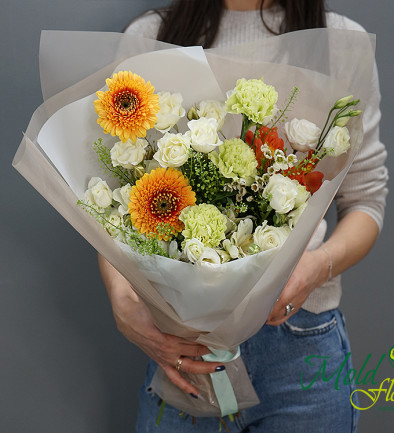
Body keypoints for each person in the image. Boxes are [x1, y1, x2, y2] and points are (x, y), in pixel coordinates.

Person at [99, 0, 388, 431]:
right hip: (185, 348)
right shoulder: (148, 38)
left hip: (300, 341)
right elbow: (113, 202)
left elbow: (366, 200)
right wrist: (124, 305)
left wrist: (314, 268)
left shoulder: (340, 42)